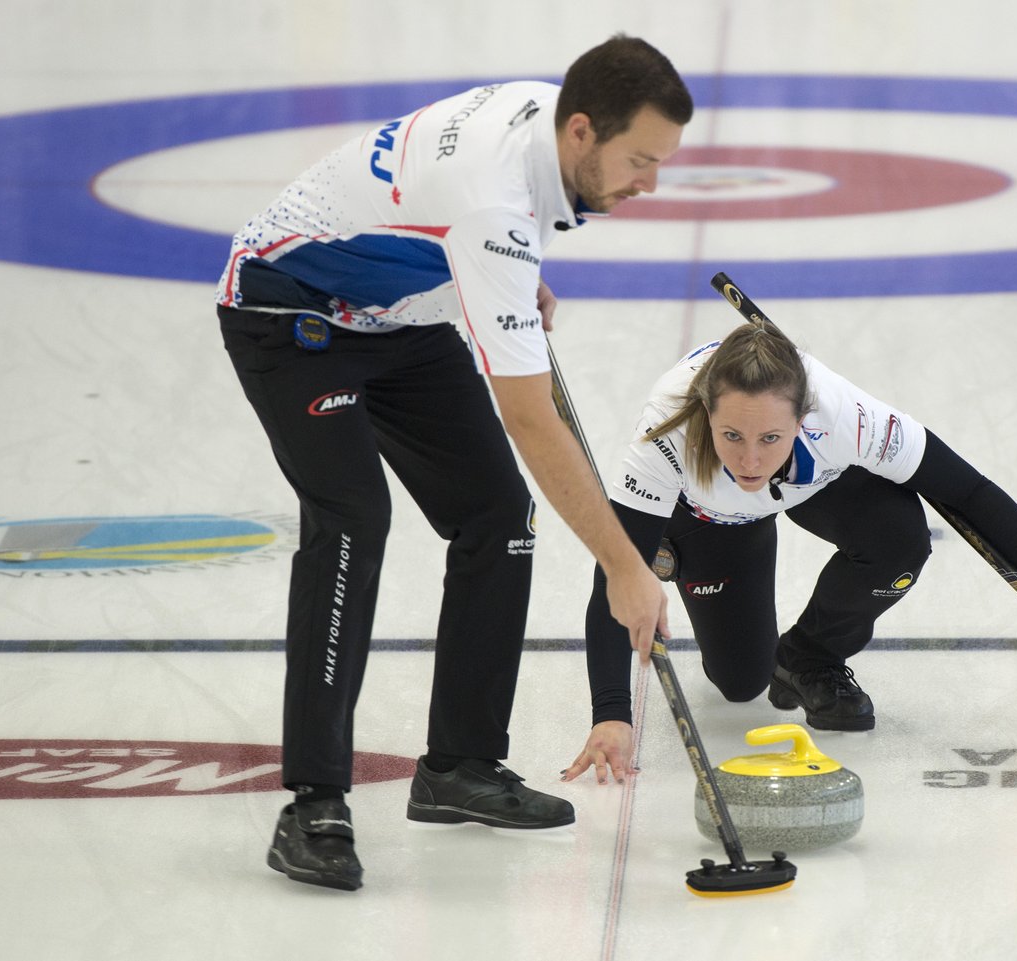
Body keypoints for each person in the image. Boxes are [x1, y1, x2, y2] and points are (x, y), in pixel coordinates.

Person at [216, 35, 692, 891]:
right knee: (355, 519)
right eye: (641, 161)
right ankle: (314, 802)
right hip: (291, 312)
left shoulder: (546, 128)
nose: (651, 184)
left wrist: (495, 280)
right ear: (582, 131)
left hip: (400, 312)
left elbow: (454, 220)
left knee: (497, 517)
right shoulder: (495, 207)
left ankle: (460, 766)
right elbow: (530, 418)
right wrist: (625, 567)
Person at [562, 318, 1017, 785]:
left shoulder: (846, 415)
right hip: (711, 517)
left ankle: (809, 658)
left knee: (899, 540)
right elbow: (615, 577)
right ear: (704, 414)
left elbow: (967, 491)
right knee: (740, 683)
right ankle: (709, 549)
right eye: (732, 435)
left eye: (771, 437)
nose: (750, 459)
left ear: (803, 419)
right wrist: (612, 715)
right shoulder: (664, 435)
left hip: (816, 482)